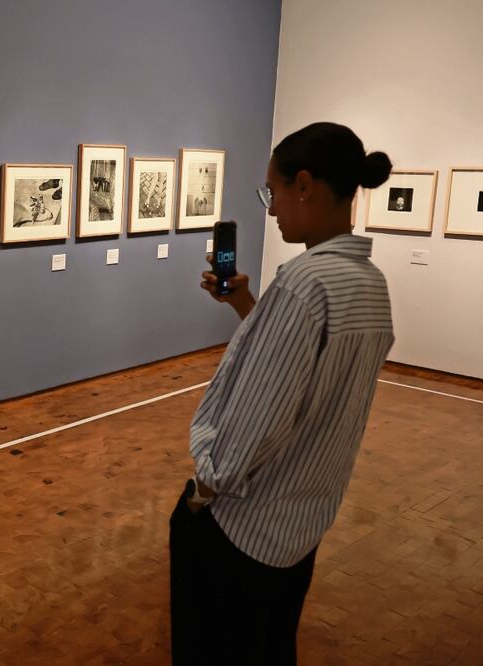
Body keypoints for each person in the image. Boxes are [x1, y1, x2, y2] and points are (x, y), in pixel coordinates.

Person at [169, 122, 395, 665]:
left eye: (272, 193)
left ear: (304, 184)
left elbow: (259, 418)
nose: (271, 210)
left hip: (245, 528)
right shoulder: (370, 286)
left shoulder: (301, 286)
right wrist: (249, 307)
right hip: (301, 525)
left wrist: (205, 488)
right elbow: (309, 379)